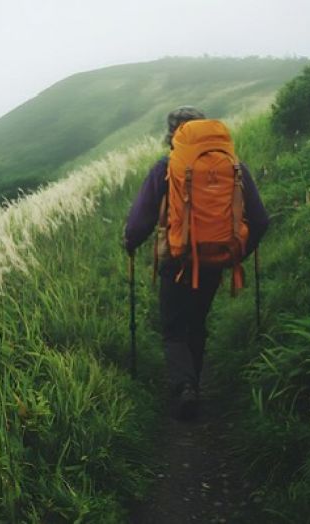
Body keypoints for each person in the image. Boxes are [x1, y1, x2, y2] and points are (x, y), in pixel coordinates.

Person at [123, 106, 269, 420]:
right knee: (196, 323)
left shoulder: (166, 167)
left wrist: (130, 242)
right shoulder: (234, 166)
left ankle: (184, 387)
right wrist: (235, 254)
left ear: (172, 134)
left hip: (176, 261)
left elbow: (141, 219)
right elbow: (259, 220)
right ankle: (194, 384)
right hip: (214, 259)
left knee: (174, 328)